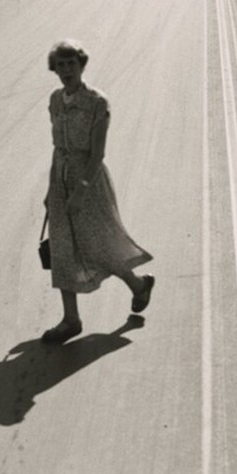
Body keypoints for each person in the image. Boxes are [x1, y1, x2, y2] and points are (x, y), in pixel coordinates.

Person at [41, 40, 154, 343]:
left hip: (88, 181)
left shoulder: (97, 102)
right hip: (60, 179)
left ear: (81, 66)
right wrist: (52, 190)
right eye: (61, 65)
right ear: (55, 68)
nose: (66, 70)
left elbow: (97, 154)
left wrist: (81, 190)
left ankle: (139, 285)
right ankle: (71, 319)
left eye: (71, 64)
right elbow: (58, 147)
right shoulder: (54, 100)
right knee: (62, 246)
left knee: (98, 242)